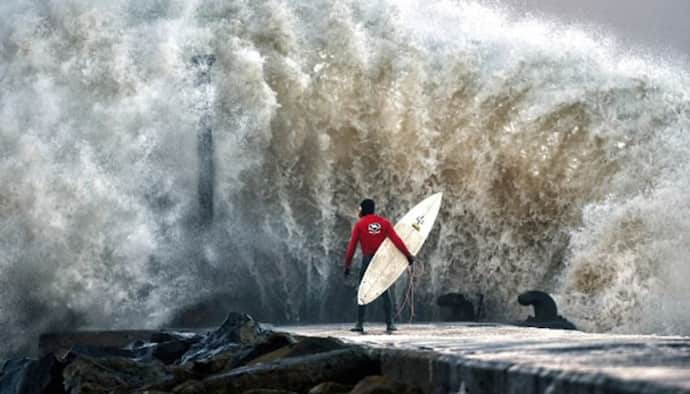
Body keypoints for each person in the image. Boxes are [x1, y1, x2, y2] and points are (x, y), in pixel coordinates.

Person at [344, 198, 415, 332]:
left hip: (368, 259)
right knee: (385, 291)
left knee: (363, 290)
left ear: (363, 209)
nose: (358, 211)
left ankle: (359, 324)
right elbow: (397, 241)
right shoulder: (384, 223)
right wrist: (408, 255)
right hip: (382, 260)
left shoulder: (360, 225)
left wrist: (347, 265)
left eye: (360, 208)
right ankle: (390, 323)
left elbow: (351, 247)